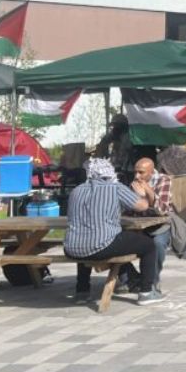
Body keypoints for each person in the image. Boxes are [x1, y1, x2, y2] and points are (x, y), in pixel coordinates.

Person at [64, 158, 164, 305]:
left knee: (85, 240)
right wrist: (141, 194)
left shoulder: (76, 190)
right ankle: (146, 292)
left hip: (71, 248)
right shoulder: (115, 187)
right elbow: (142, 206)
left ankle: (82, 292)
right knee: (148, 245)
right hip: (102, 246)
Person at [119, 157, 172, 292]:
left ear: (151, 172)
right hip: (139, 226)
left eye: (141, 172)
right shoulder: (134, 183)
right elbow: (127, 208)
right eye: (135, 172)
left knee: (157, 244)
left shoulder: (164, 180)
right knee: (114, 240)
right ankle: (130, 278)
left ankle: (152, 281)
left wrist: (147, 192)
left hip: (159, 226)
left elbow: (162, 210)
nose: (137, 176)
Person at [96, 114, 134, 181]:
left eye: (117, 125)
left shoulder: (128, 136)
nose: (115, 127)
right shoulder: (114, 133)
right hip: (116, 166)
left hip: (127, 168)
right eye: (114, 125)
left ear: (122, 125)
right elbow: (103, 143)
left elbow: (126, 151)